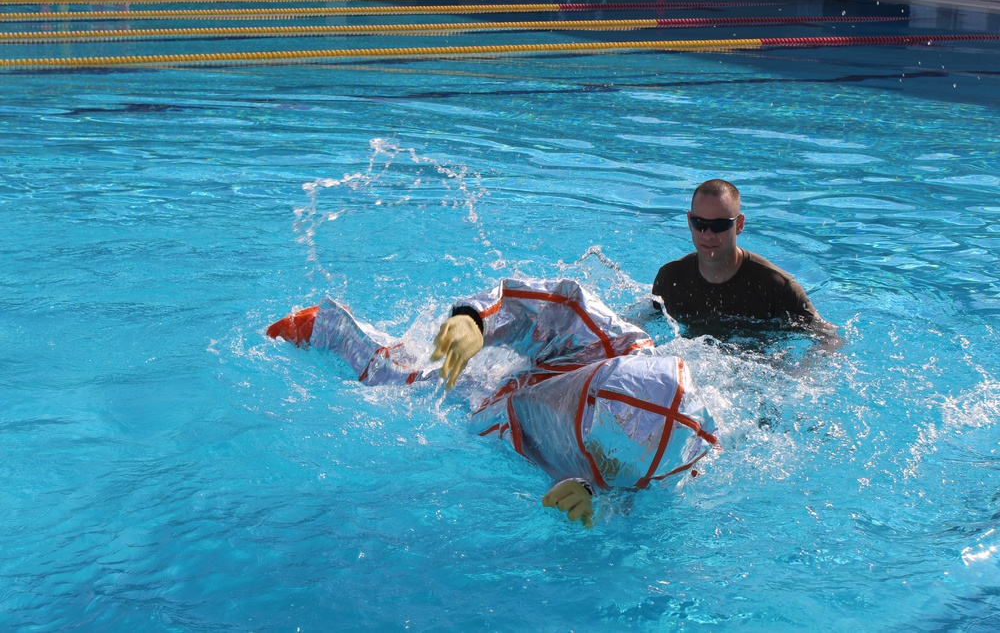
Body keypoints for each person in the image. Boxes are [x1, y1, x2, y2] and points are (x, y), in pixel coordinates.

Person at [267, 278, 717, 527]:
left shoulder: (672, 458)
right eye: (580, 411)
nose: (569, 419)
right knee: (411, 383)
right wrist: (472, 321)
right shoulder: (609, 343)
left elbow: (640, 495)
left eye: (591, 445)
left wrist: (593, 497)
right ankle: (328, 325)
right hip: (523, 385)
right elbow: (540, 301)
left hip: (515, 434)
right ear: (595, 381)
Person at [653, 179, 825, 330]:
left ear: (739, 225)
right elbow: (643, 326)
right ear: (689, 221)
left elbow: (827, 338)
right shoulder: (670, 279)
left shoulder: (777, 286)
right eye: (700, 223)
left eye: (720, 225)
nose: (708, 234)